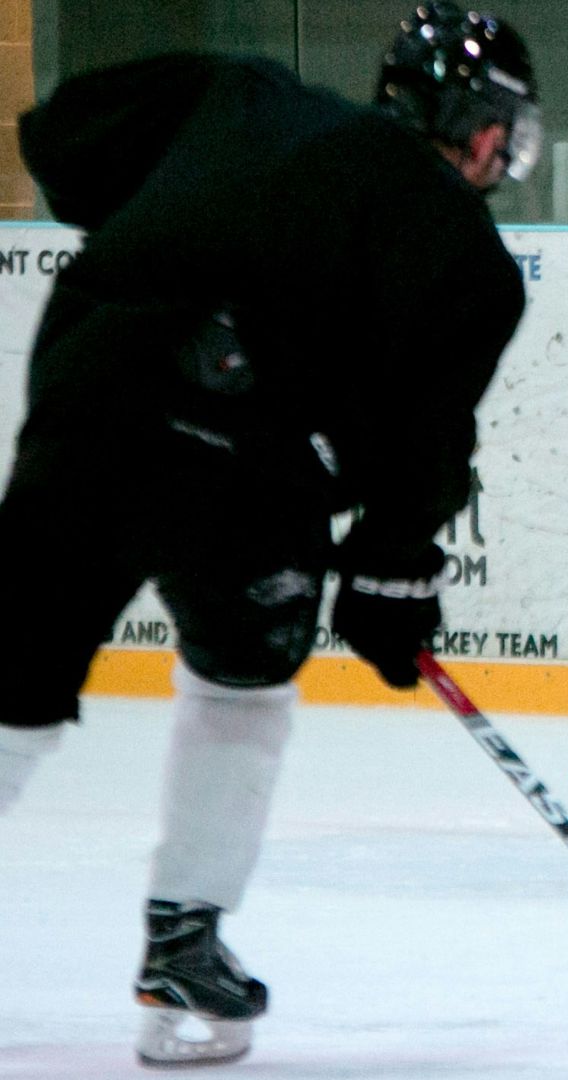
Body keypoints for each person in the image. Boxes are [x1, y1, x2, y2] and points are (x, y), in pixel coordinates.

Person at [0, 4, 536, 1066]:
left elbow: (61, 134)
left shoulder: (241, 94)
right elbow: (426, 447)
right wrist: (392, 580)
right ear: (483, 130)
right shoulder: (471, 259)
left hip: (100, 401)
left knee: (9, 677)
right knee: (243, 683)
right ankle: (184, 940)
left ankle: (183, 942)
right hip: (253, 475)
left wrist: (169, 222)